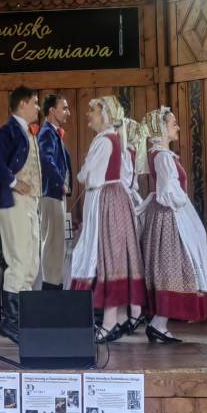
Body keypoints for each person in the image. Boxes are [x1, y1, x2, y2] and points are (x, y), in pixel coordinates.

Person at [70, 96, 145, 344]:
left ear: (104, 114)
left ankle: (110, 321)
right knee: (116, 257)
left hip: (105, 200)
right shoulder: (115, 139)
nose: (88, 115)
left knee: (108, 257)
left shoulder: (104, 140)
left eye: (92, 111)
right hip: (115, 198)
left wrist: (82, 173)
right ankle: (121, 317)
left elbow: (88, 176)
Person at [136, 107, 207, 342]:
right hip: (169, 216)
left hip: (168, 214)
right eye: (172, 123)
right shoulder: (162, 156)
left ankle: (159, 323)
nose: (177, 127)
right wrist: (183, 205)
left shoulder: (162, 155)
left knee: (172, 267)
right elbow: (168, 190)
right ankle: (158, 323)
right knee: (171, 267)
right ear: (160, 128)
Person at [0, 85, 43, 344]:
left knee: (31, 262)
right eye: (35, 103)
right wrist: (13, 181)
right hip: (13, 201)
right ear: (23, 104)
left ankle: (21, 319)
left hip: (29, 202)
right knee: (19, 259)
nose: (38, 108)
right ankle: (10, 322)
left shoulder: (26, 131)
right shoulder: (9, 130)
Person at [37, 94, 72, 291]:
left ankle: (54, 286)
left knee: (57, 244)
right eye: (64, 108)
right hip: (51, 193)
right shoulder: (46, 133)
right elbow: (45, 159)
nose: (68, 112)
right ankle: (50, 289)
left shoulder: (53, 133)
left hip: (56, 194)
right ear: (52, 110)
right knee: (52, 244)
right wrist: (60, 182)